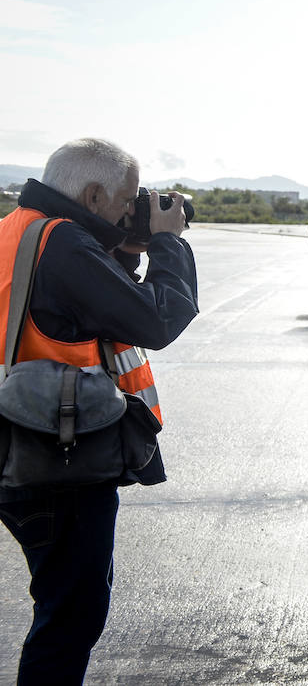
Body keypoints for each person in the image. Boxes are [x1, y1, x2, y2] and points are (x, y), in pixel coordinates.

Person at [0, 138, 198, 685]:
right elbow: (156, 321)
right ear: (91, 194)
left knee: (60, 604)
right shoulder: (63, 243)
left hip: (18, 442)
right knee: (69, 617)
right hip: (56, 458)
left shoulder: (19, 228)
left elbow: (82, 307)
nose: (128, 213)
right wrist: (167, 243)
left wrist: (122, 245)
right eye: (124, 203)